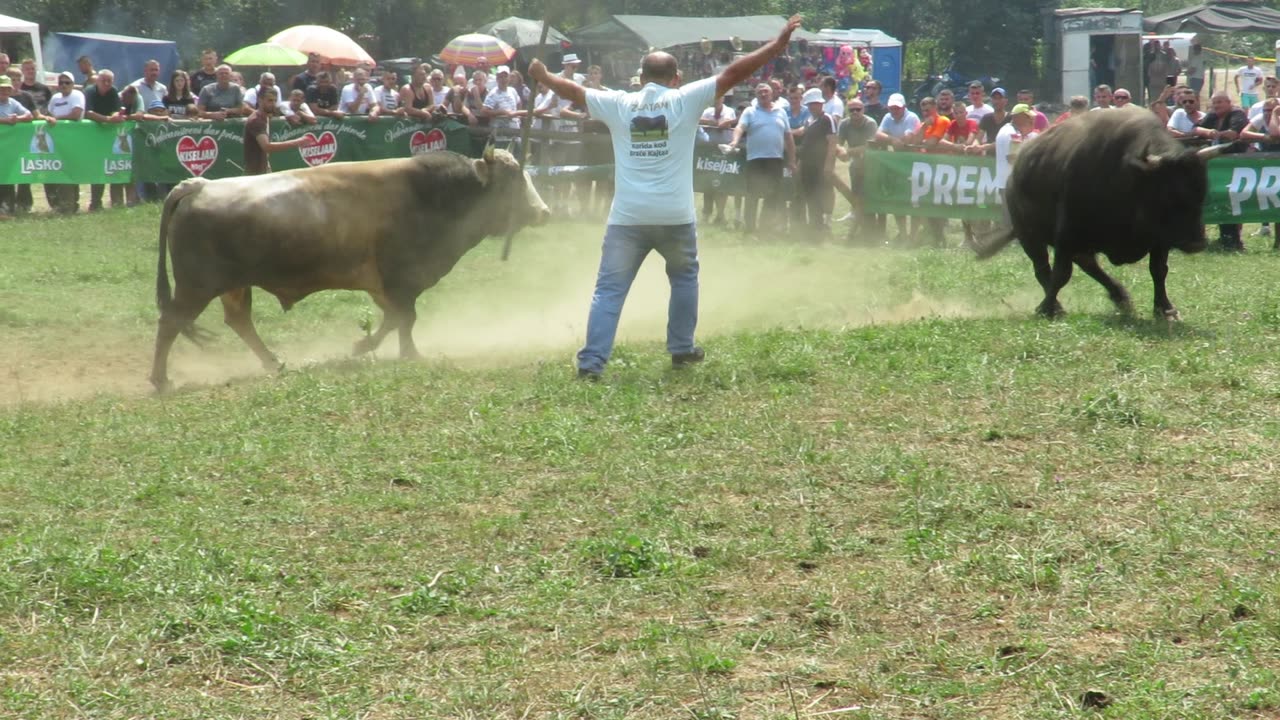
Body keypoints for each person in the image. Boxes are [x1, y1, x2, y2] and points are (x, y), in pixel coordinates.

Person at [528, 15, 804, 380]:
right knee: (684, 278)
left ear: (641, 79)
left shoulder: (620, 103)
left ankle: (591, 364)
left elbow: (575, 94)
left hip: (628, 217)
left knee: (609, 290)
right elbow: (735, 73)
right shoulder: (685, 99)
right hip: (674, 215)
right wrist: (777, 45)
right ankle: (681, 349)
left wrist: (543, 76)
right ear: (677, 79)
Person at [730, 83, 795, 234]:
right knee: (753, 195)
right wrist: (735, 140)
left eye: (766, 92)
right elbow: (740, 127)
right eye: (760, 92)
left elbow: (788, 136)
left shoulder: (781, 112)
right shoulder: (750, 111)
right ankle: (750, 229)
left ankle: (765, 229)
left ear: (772, 94)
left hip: (775, 159)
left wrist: (792, 160)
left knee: (772, 195)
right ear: (756, 95)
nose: (763, 94)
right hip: (755, 159)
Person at [1194, 92, 1249, 251]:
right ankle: (1224, 238)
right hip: (1216, 165)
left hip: (1233, 164)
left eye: (1220, 102)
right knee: (1217, 198)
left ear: (1229, 102)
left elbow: (1234, 133)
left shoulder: (1237, 114)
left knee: (1230, 199)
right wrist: (1207, 132)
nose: (1216, 106)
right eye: (1214, 103)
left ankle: (1233, 240)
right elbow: (1197, 128)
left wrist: (1216, 133)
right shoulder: (1212, 116)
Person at [836, 97, 879, 242]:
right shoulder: (844, 123)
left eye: (858, 109)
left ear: (863, 110)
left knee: (869, 198)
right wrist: (841, 150)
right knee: (856, 197)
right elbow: (838, 142)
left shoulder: (870, 123)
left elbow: (870, 146)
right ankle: (860, 231)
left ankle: (866, 232)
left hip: (873, 164)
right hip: (856, 165)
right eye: (851, 110)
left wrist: (847, 152)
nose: (855, 112)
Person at [83, 70, 127, 211]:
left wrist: (115, 116)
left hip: (110, 136)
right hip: (92, 136)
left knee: (114, 166)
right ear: (98, 80)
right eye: (104, 80)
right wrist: (108, 119)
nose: (107, 84)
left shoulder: (113, 92)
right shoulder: (89, 92)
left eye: (110, 81)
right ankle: (95, 203)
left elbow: (116, 110)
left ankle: (117, 203)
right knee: (98, 169)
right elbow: (88, 113)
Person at [796, 87, 837, 233]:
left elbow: (832, 143)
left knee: (820, 195)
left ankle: (821, 226)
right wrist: (800, 163)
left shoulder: (828, 119)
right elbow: (805, 143)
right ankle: (814, 225)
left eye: (815, 104)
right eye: (810, 104)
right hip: (807, 165)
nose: (812, 107)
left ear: (821, 104)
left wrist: (828, 165)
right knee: (809, 195)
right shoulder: (808, 121)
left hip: (820, 165)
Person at [43, 72, 84, 213]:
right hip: (54, 142)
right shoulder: (55, 98)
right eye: (61, 83)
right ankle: (56, 205)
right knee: (51, 171)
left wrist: (57, 120)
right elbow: (48, 115)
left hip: (72, 141)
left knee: (68, 173)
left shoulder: (77, 95)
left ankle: (70, 206)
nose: (64, 85)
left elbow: (76, 114)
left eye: (67, 82)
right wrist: (50, 119)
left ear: (72, 84)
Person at [243, 88, 308, 176]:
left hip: (263, 170)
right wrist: (298, 142)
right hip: (255, 174)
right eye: (270, 100)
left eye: (275, 101)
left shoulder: (265, 118)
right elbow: (267, 147)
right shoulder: (256, 121)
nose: (273, 104)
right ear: (260, 100)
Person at [698, 93, 737, 225]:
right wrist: (709, 122)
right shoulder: (707, 111)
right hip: (709, 150)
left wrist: (722, 123)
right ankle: (706, 213)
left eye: (719, 97)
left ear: (723, 98)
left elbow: (726, 122)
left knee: (722, 184)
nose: (716, 100)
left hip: (724, 151)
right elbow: (697, 119)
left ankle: (720, 214)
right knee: (707, 184)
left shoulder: (729, 110)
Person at [0, 75, 34, 216]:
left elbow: (30, 116)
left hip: (10, 148)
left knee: (10, 175)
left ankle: (9, 207)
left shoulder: (13, 103)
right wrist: (5, 121)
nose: (4, 91)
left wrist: (17, 118)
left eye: (7, 88)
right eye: (2, 88)